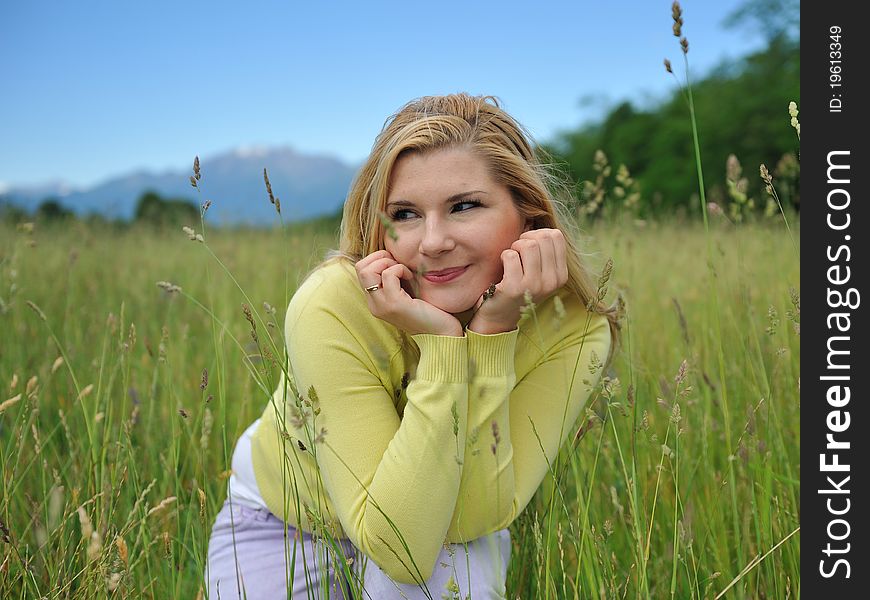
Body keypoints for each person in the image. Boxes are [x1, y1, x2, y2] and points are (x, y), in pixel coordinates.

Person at [205, 93, 619, 599]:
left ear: (528, 216)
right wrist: (446, 344)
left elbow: (437, 536)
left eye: (464, 206)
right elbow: (397, 543)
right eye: (406, 214)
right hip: (288, 520)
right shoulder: (336, 301)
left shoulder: (572, 329)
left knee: (444, 574)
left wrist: (486, 339)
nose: (433, 242)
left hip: (445, 532)